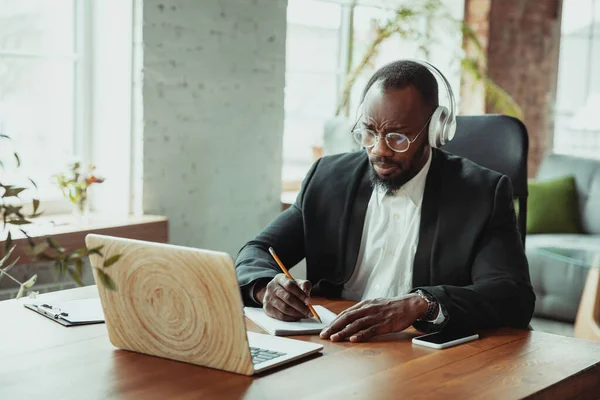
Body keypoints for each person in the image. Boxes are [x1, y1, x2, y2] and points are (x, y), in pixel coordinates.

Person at [235, 60, 535, 343]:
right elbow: (258, 250)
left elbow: (512, 296)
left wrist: (423, 304)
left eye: (398, 137)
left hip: (421, 357)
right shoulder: (327, 179)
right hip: (334, 345)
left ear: (435, 130)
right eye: (369, 132)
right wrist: (265, 288)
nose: (380, 150)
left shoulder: (482, 193)